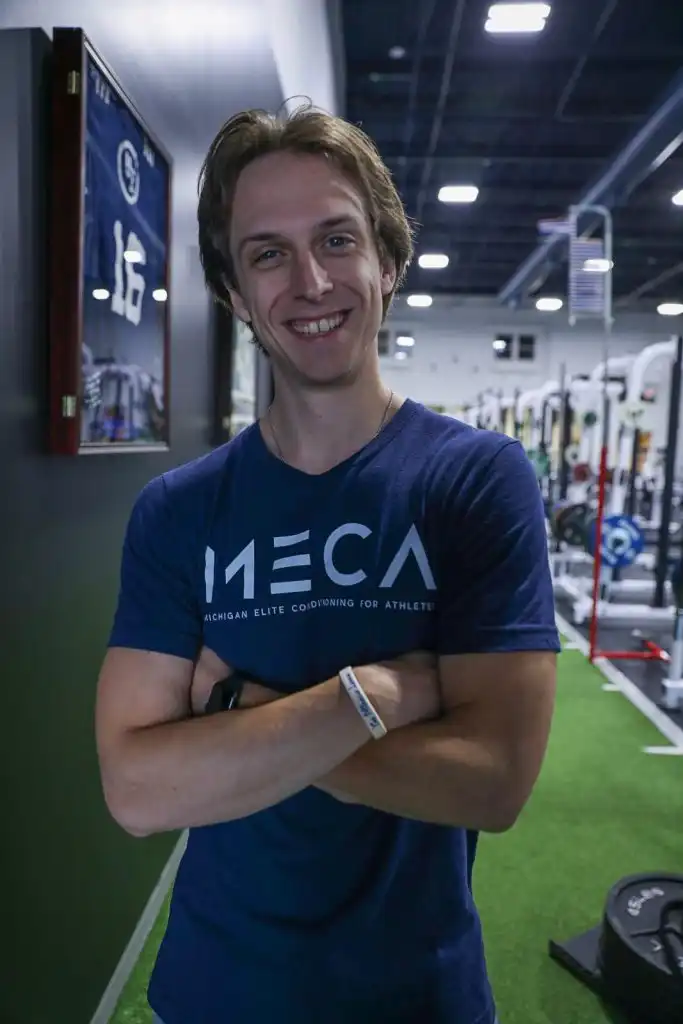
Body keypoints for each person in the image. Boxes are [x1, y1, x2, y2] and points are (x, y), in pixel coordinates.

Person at [95, 102, 560, 1024]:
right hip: (215, 991)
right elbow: (138, 790)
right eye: (266, 253)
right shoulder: (178, 511)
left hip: (414, 993)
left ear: (386, 262)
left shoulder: (473, 480)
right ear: (233, 292)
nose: (308, 281)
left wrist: (241, 719)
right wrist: (377, 696)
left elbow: (492, 781)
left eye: (336, 239)